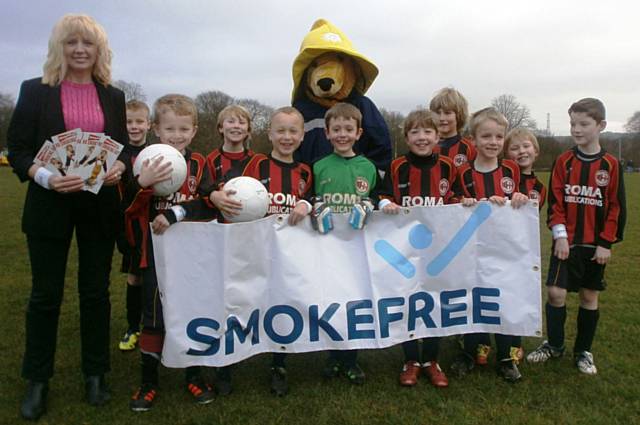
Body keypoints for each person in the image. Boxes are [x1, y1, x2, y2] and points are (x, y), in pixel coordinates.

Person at [7, 14, 127, 420]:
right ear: (60, 47)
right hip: (48, 205)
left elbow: (122, 147)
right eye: (72, 42)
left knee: (95, 294)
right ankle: (37, 381)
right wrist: (43, 176)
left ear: (99, 50)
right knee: (45, 296)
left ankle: (96, 374)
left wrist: (118, 169)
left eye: (88, 44)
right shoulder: (34, 91)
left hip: (98, 205)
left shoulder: (112, 95)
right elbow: (18, 148)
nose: (80, 50)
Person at [125, 94, 214, 411]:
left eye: (183, 129)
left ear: (194, 130)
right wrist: (143, 184)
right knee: (153, 317)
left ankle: (194, 375)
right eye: (170, 129)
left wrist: (177, 213)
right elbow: (127, 206)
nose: (177, 136)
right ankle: (148, 382)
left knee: (191, 313)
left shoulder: (200, 164)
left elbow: (208, 202)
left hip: (191, 256)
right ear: (156, 130)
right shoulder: (144, 162)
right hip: (153, 256)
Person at [526, 98, 626, 375]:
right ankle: (555, 344)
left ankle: (583, 351)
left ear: (601, 126)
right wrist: (559, 236)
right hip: (566, 243)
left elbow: (616, 206)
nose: (576, 129)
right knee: (555, 292)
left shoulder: (610, 164)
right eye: (572, 123)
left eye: (584, 123)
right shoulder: (564, 161)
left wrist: (606, 242)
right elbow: (557, 201)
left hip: (595, 246)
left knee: (588, 296)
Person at [377, 109, 457, 388]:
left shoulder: (448, 166)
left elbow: (457, 198)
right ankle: (410, 359)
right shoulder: (397, 166)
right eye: (415, 132)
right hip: (404, 250)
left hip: (438, 250)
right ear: (407, 136)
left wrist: (464, 204)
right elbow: (383, 195)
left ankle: (432, 360)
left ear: (437, 136)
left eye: (428, 132)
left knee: (435, 301)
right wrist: (386, 204)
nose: (422, 138)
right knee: (407, 302)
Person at [450, 107, 529, 382]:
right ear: (473, 139)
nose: (493, 142)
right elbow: (453, 208)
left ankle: (508, 357)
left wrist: (517, 198)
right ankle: (470, 351)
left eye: (498, 136)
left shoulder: (512, 170)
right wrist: (464, 203)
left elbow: (525, 206)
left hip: (505, 250)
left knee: (506, 298)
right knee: (474, 298)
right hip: (473, 251)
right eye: (486, 136)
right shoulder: (463, 173)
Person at [311, 102, 378, 384]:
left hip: (357, 250)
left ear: (358, 132)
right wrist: (315, 207)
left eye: (348, 129)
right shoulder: (318, 166)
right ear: (327, 133)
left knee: (355, 302)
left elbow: (376, 198)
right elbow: (310, 200)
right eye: (336, 129)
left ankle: (351, 360)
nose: (342, 134)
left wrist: (370, 205)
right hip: (326, 248)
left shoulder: (368, 167)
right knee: (330, 300)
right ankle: (333, 357)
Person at [503, 127, 547, 360]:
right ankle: (484, 341)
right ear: (506, 153)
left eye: (526, 146)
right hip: (499, 248)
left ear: (536, 151)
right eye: (515, 147)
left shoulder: (539, 188)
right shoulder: (501, 178)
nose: (521, 151)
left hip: (523, 251)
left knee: (518, 296)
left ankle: (515, 344)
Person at [117, 100, 151, 351]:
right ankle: (132, 327)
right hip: (124, 224)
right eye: (129, 121)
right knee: (134, 276)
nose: (134, 126)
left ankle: (156, 324)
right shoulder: (115, 153)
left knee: (157, 276)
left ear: (149, 124)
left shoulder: (157, 151)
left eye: (139, 121)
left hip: (151, 223)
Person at [429, 87, 476, 167]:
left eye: (447, 113)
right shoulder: (427, 146)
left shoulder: (469, 148)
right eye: (438, 113)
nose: (442, 118)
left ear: (458, 116)